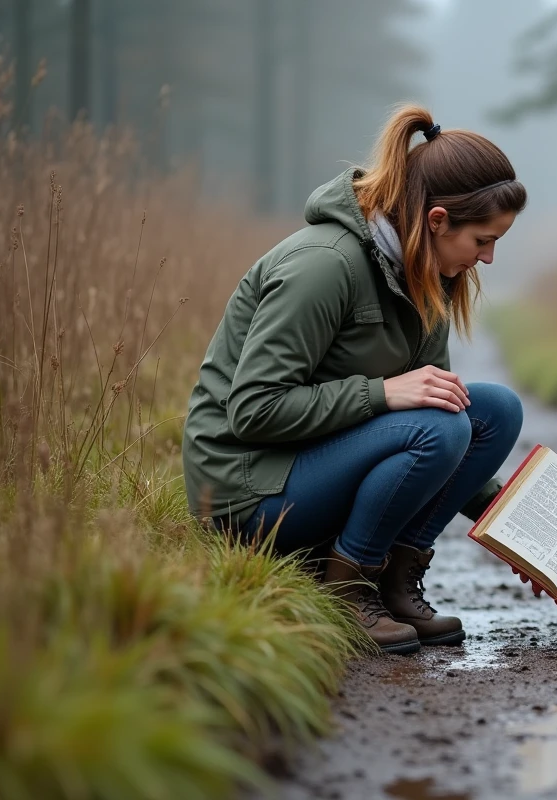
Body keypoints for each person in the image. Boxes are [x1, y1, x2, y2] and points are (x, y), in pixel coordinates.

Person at [182, 105, 527, 655]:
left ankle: (394, 580)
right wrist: (384, 393)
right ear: (437, 220)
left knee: (493, 411)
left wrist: (522, 536)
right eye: (483, 240)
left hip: (315, 464)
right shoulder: (322, 265)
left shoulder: (422, 271)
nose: (487, 257)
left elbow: (450, 416)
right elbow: (252, 409)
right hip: (248, 494)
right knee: (436, 430)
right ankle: (350, 588)